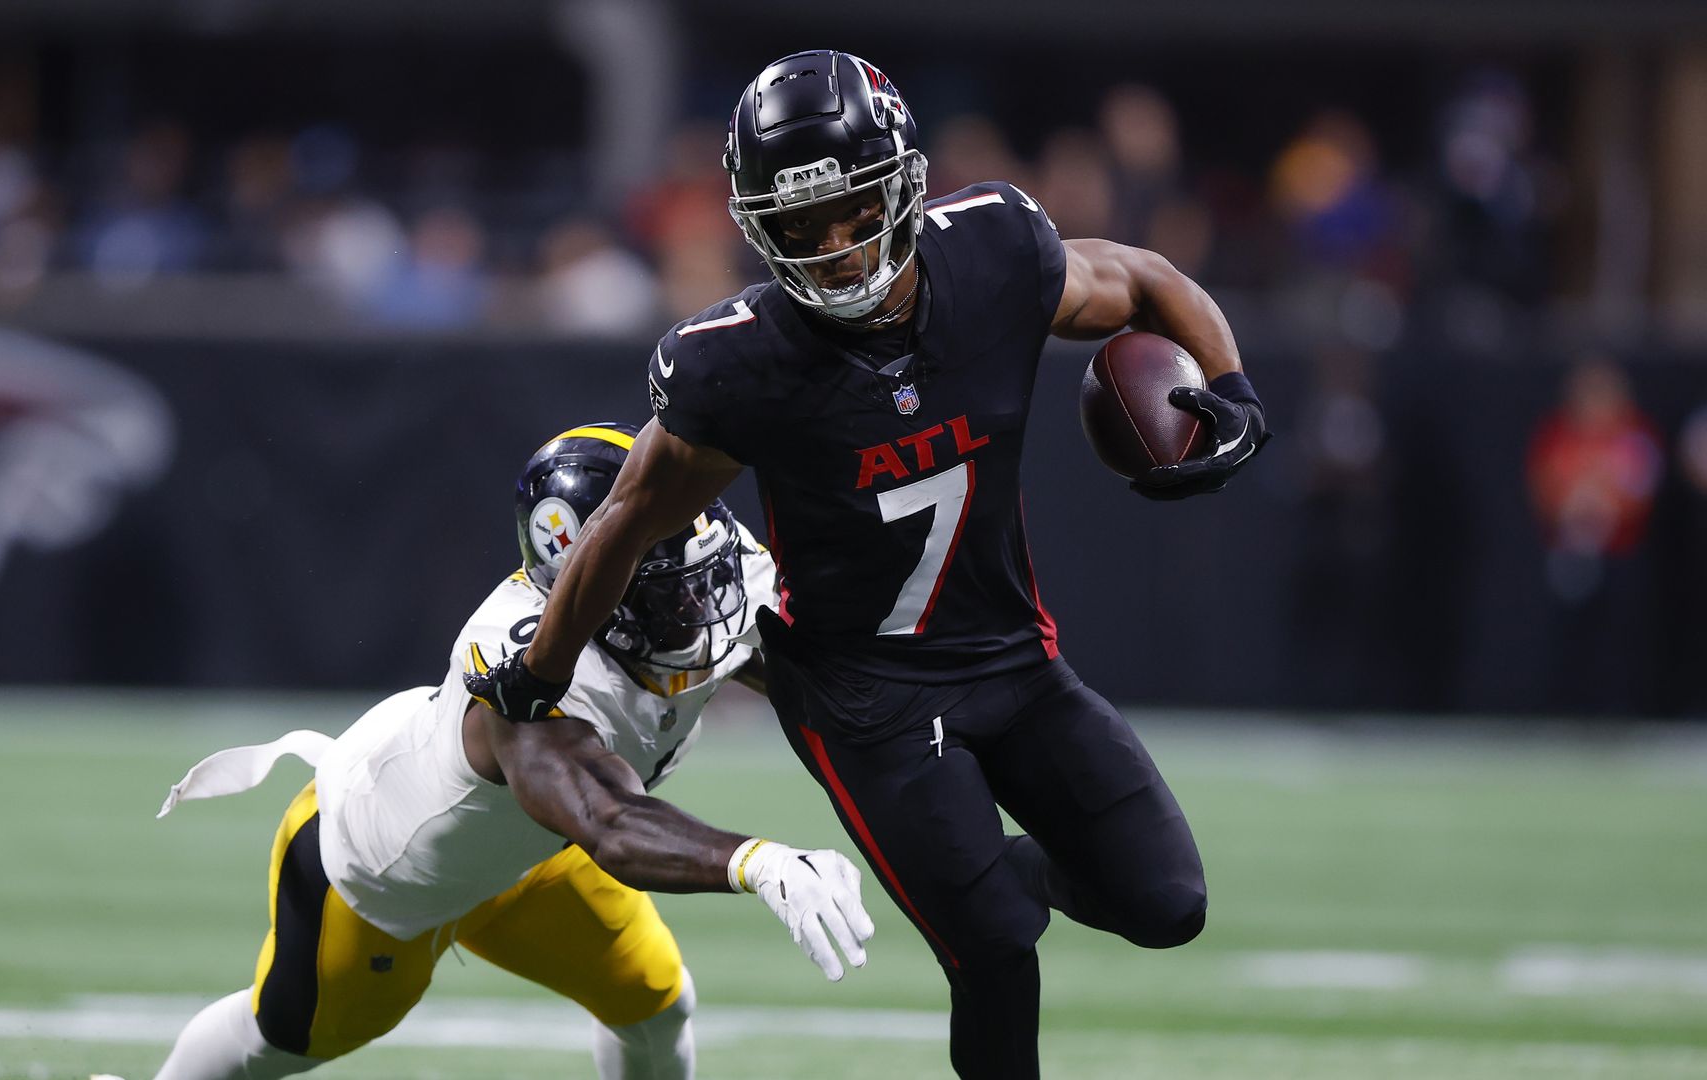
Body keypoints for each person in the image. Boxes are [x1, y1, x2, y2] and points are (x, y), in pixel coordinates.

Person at [466, 52, 1269, 1079]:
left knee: (1168, 906)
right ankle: (983, 899)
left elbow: (1144, 279)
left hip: (1011, 657)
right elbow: (625, 520)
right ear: (761, 227)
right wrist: (538, 674)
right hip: (862, 696)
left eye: (853, 211)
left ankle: (1002, 874)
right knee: (993, 951)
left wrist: (1235, 390)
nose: (839, 250)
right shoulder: (740, 365)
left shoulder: (993, 257)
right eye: (801, 228)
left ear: (905, 183)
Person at [139, 422, 875, 1080]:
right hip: (385, 875)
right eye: (665, 589)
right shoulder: (521, 664)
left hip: (537, 854)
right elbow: (608, 819)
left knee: (656, 1003)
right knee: (281, 1042)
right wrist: (760, 862)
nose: (696, 603)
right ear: (592, 587)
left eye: (698, 574)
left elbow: (800, 668)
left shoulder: (695, 574)